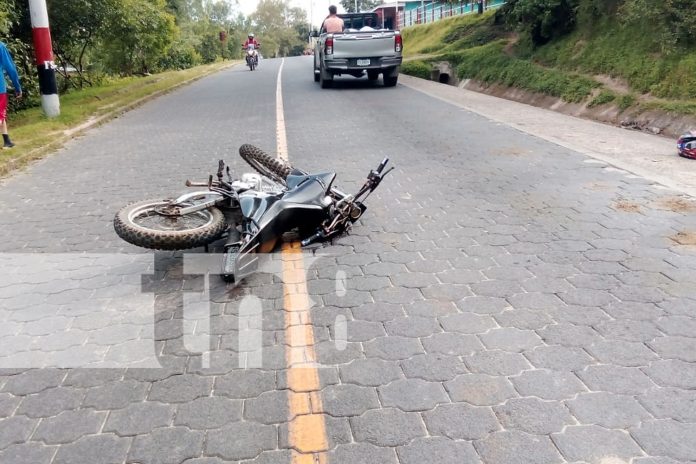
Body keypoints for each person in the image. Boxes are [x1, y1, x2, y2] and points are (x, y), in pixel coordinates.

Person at [0, 41, 22, 149]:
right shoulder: (0, 46)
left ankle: (7, 141)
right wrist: (17, 87)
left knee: (1, 115)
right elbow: (11, 69)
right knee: (0, 115)